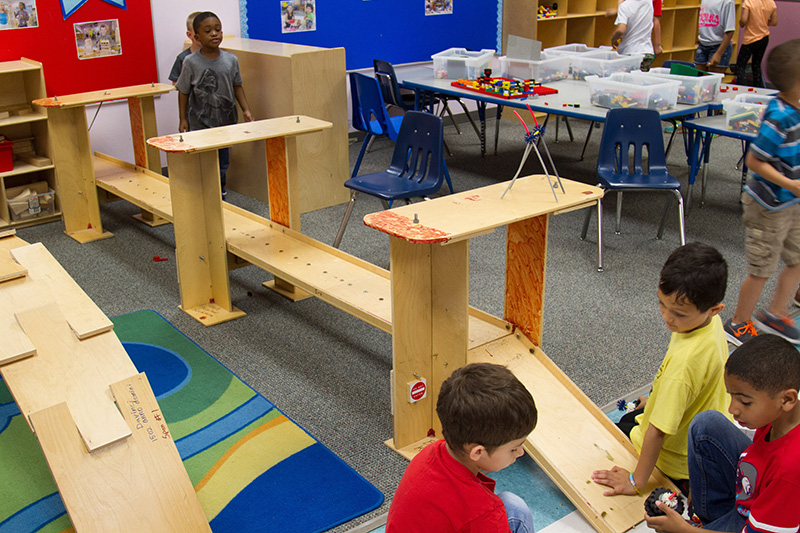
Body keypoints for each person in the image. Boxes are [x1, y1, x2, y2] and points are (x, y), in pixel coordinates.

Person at [592, 242, 730, 497]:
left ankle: (677, 481)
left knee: (601, 439)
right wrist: (657, 399)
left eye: (678, 313)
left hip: (674, 458)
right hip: (695, 437)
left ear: (714, 309)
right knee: (630, 410)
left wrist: (636, 482)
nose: (667, 317)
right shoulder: (708, 323)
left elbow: (657, 431)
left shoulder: (685, 363)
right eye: (661, 303)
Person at [645, 334, 800, 532]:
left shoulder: (789, 470)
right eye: (731, 396)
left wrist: (683, 530)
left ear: (787, 399)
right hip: (754, 496)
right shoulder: (781, 415)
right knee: (706, 425)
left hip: (762, 520)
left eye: (745, 402)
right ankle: (708, 521)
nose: (732, 408)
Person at [386, 363, 538, 533]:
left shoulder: (430, 452)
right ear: (477, 452)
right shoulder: (485, 512)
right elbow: (479, 513)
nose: (520, 453)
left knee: (511, 505)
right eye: (514, 448)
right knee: (516, 510)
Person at [722, 39, 800, 347]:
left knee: (797, 258)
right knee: (762, 268)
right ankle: (739, 323)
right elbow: (755, 160)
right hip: (767, 205)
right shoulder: (779, 116)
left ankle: (776, 312)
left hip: (791, 202)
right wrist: (790, 183)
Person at [176, 11, 253, 199]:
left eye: (218, 30)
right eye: (208, 30)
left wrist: (246, 110)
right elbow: (183, 91)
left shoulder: (230, 60)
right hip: (200, 122)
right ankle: (202, 196)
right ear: (196, 37)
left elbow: (237, 86)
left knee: (222, 161)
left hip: (225, 122)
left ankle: (220, 193)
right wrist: (183, 118)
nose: (214, 34)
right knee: (203, 162)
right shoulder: (190, 62)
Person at [733, 0, 777, 87]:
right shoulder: (771, 2)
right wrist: (763, 23)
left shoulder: (749, 2)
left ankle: (742, 87)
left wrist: (741, 23)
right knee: (756, 65)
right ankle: (759, 89)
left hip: (750, 39)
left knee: (740, 66)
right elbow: (774, 22)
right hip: (764, 38)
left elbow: (744, 21)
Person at [610, 0, 655, 71]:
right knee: (641, 80)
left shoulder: (624, 7)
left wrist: (613, 39)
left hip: (630, 53)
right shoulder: (648, 2)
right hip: (647, 51)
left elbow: (621, 29)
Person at [695, 0, 736, 73]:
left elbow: (730, 30)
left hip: (718, 46)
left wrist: (719, 53)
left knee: (712, 82)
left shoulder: (728, 2)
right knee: (699, 79)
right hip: (703, 44)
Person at [168, 11, 202, 85]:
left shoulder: (216, 56)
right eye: (199, 31)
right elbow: (175, 83)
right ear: (189, 35)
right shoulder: (183, 58)